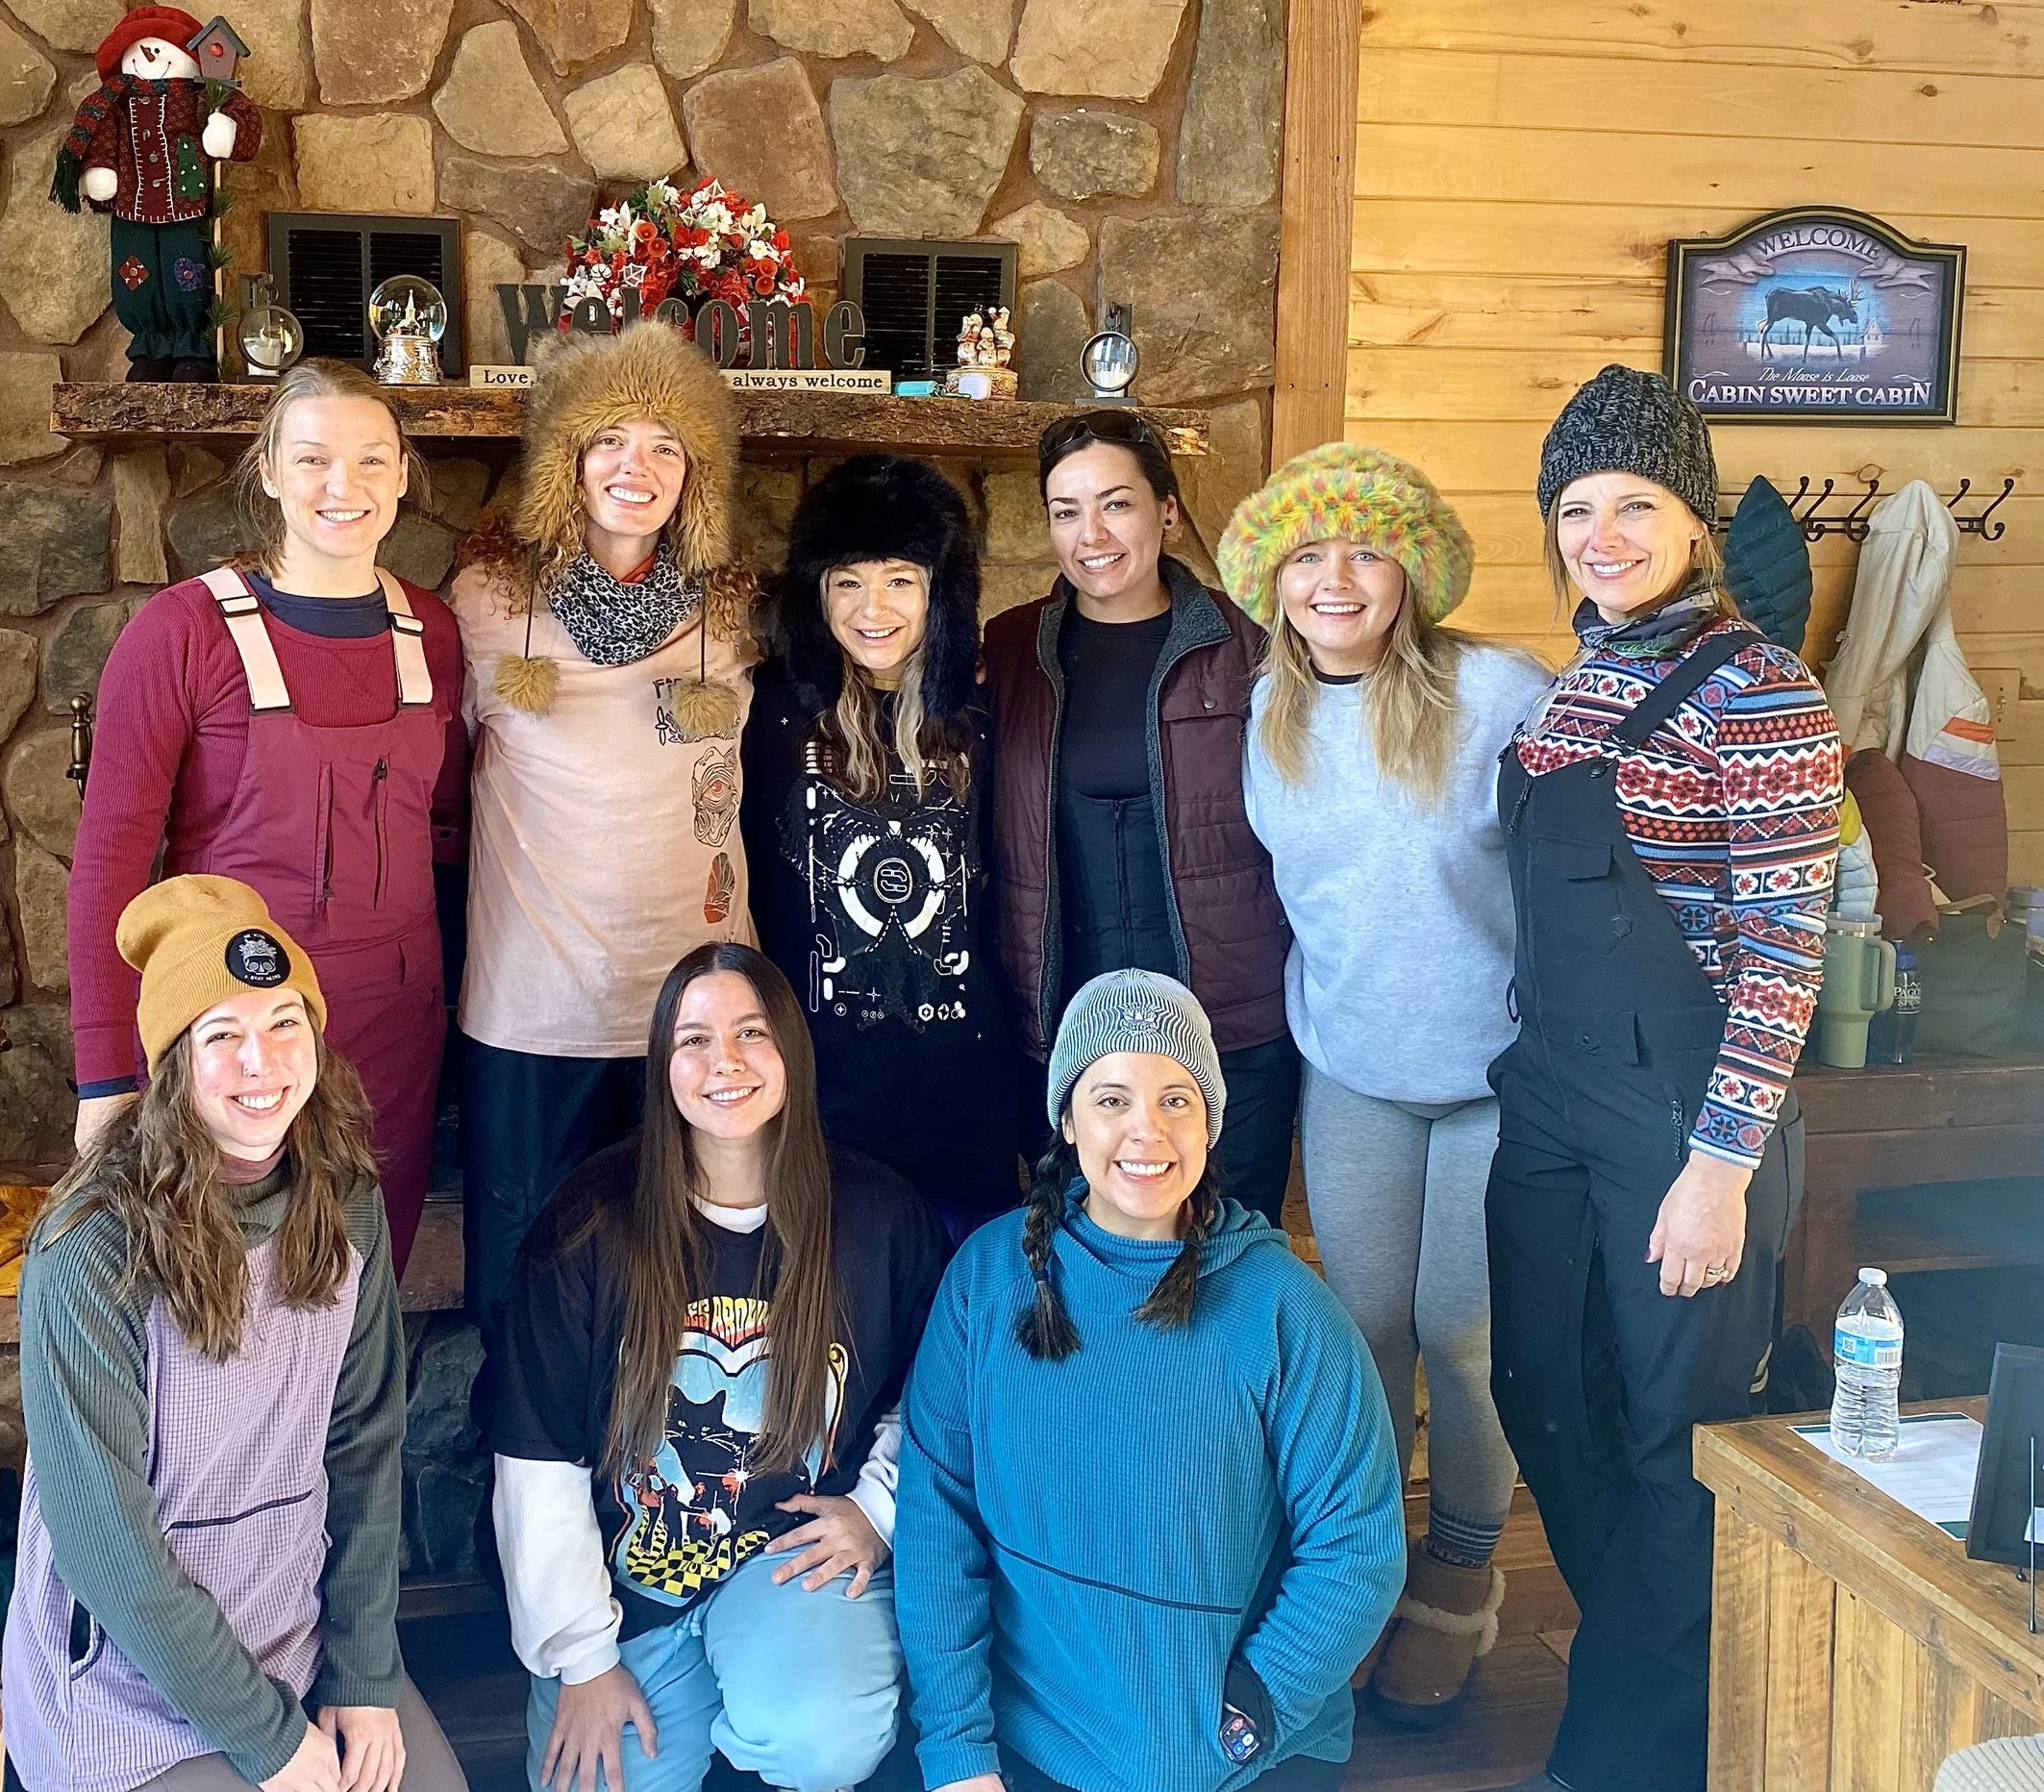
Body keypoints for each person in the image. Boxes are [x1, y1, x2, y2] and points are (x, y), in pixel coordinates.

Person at [1489, 366, 1841, 1792]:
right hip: (1553, 1093)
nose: (1604, 532)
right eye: (1578, 507)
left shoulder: (1763, 687)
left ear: (1694, 521)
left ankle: (1625, 1752)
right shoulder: (1584, 673)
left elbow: (1786, 949)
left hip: (1679, 1114)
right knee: (1539, 1389)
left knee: (1671, 1430)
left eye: (1636, 503)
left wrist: (1718, 1170)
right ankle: (1657, 1651)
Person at [1220, 443, 1553, 1727]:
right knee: (1363, 1337)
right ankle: (1361, 1575)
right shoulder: (1267, 712)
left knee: (1463, 1341)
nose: (1336, 578)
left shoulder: (1502, 693)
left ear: (1412, 570)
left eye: (1365, 550)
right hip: (1350, 1069)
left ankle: (1462, 1572)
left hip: (1492, 1077)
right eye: (1309, 554)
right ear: (1277, 579)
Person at [5, 875, 468, 1792]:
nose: (263, 1063)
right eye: (223, 1035)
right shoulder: (88, 1250)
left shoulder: (349, 1204)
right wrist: (269, 1737)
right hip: (126, 1680)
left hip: (290, 1629)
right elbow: (106, 1543)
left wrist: (367, 1667)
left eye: (284, 1022)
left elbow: (367, 1441)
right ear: (173, 1065)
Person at [899, 969, 1406, 1792]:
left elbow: (1359, 1545)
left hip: (1241, 1748)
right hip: (1040, 1737)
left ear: (1211, 1119)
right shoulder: (987, 1282)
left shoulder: (1285, 1310)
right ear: (1066, 1117)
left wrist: (1251, 1713)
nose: (1147, 1130)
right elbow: (937, 1518)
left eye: (1176, 1099)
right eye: (1111, 1099)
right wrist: (958, 1750)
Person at [490, 942, 946, 1792]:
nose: (724, 1062)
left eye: (751, 1032)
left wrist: (877, 1510)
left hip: (790, 1567)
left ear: (793, 1053)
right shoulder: (592, 1223)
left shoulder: (877, 1214)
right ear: (663, 1063)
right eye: (694, 1039)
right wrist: (583, 1659)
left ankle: (751, 1724)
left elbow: (937, 1396)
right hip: (628, 1594)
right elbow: (537, 1449)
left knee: (817, 1732)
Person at [66, 361, 465, 1278]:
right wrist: (105, 1078)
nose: (344, 486)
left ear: (403, 473)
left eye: (372, 460)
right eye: (314, 457)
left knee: (362, 1301)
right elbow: (108, 871)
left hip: (393, 1039)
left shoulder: (434, 635)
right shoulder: (179, 634)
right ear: (270, 470)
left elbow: (449, 834)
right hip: (233, 1039)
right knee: (223, 1310)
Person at [445, 322, 757, 1319]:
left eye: (667, 444)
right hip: (533, 1013)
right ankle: (525, 1475)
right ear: (564, 463)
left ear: (696, 476)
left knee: (683, 1287)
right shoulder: (487, 602)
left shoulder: (730, 610)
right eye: (609, 439)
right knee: (530, 1285)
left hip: (696, 1016)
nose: (639, 465)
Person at [985, 411, 1297, 1224]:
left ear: (1164, 508)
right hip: (1065, 1024)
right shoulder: (1011, 648)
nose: (1091, 533)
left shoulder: (1247, 644)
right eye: (1065, 510)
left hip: (1229, 1022)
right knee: (1084, 1257)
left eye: (1117, 503)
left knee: (1230, 1250)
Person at [741, 454, 1019, 1231]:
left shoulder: (986, 713)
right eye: (847, 581)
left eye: (900, 578)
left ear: (940, 592)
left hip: (963, 1090)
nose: (874, 607)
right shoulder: (770, 710)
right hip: (822, 1093)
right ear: (816, 596)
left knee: (963, 1313)